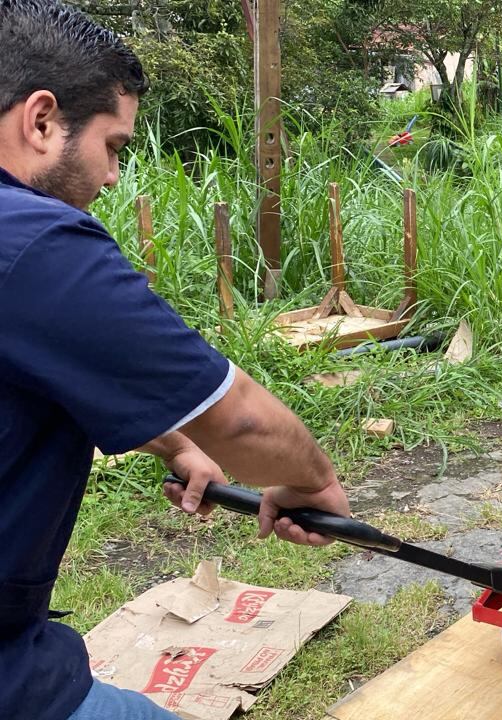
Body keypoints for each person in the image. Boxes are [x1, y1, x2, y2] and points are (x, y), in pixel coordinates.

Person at [0, 1, 352, 718]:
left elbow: (41, 360)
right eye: (114, 146)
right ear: (41, 121)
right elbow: (244, 425)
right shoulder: (35, 243)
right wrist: (313, 481)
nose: (113, 177)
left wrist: (173, 440)